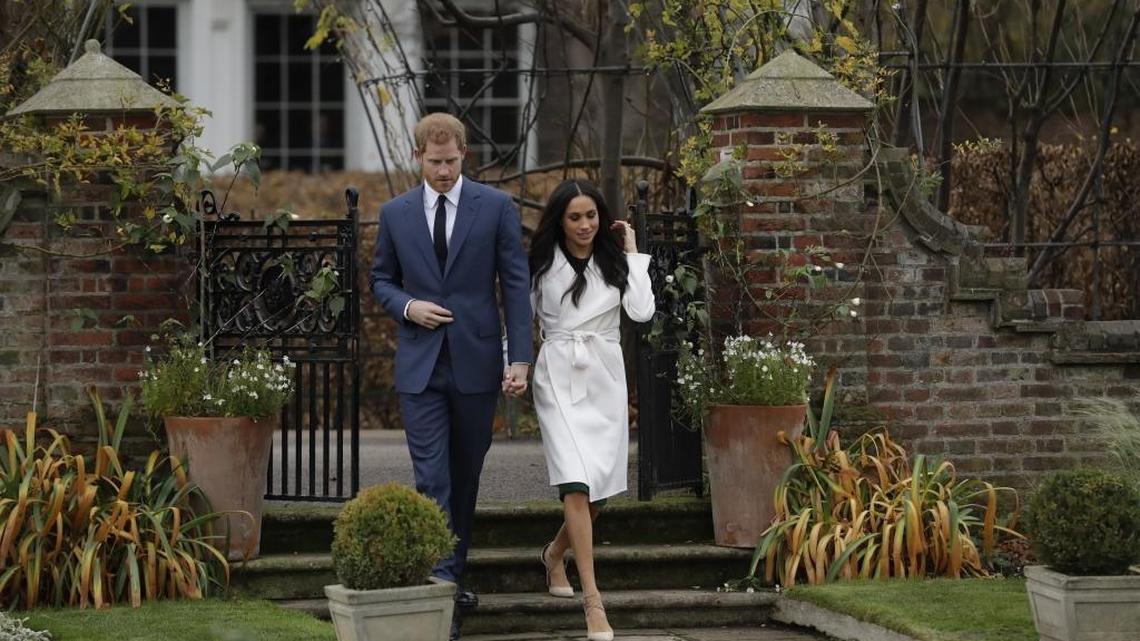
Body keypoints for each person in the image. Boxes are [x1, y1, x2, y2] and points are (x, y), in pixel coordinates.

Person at [369, 112, 532, 641]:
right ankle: (441, 588)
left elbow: (515, 284)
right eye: (435, 162)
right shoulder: (395, 214)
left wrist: (520, 358)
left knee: (464, 477)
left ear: (464, 155)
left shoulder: (496, 207)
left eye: (452, 161)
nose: (443, 171)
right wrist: (408, 305)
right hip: (420, 367)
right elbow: (380, 280)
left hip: (477, 363)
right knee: (431, 477)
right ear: (418, 156)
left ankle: (452, 574)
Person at [527, 179, 655, 641]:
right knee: (576, 482)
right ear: (559, 221)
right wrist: (514, 364)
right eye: (575, 217)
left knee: (598, 490)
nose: (584, 225)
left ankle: (554, 554)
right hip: (559, 375)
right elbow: (521, 318)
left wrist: (634, 254)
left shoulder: (615, 261)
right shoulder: (542, 263)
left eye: (591, 216)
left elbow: (641, 312)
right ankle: (593, 601)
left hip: (604, 376)